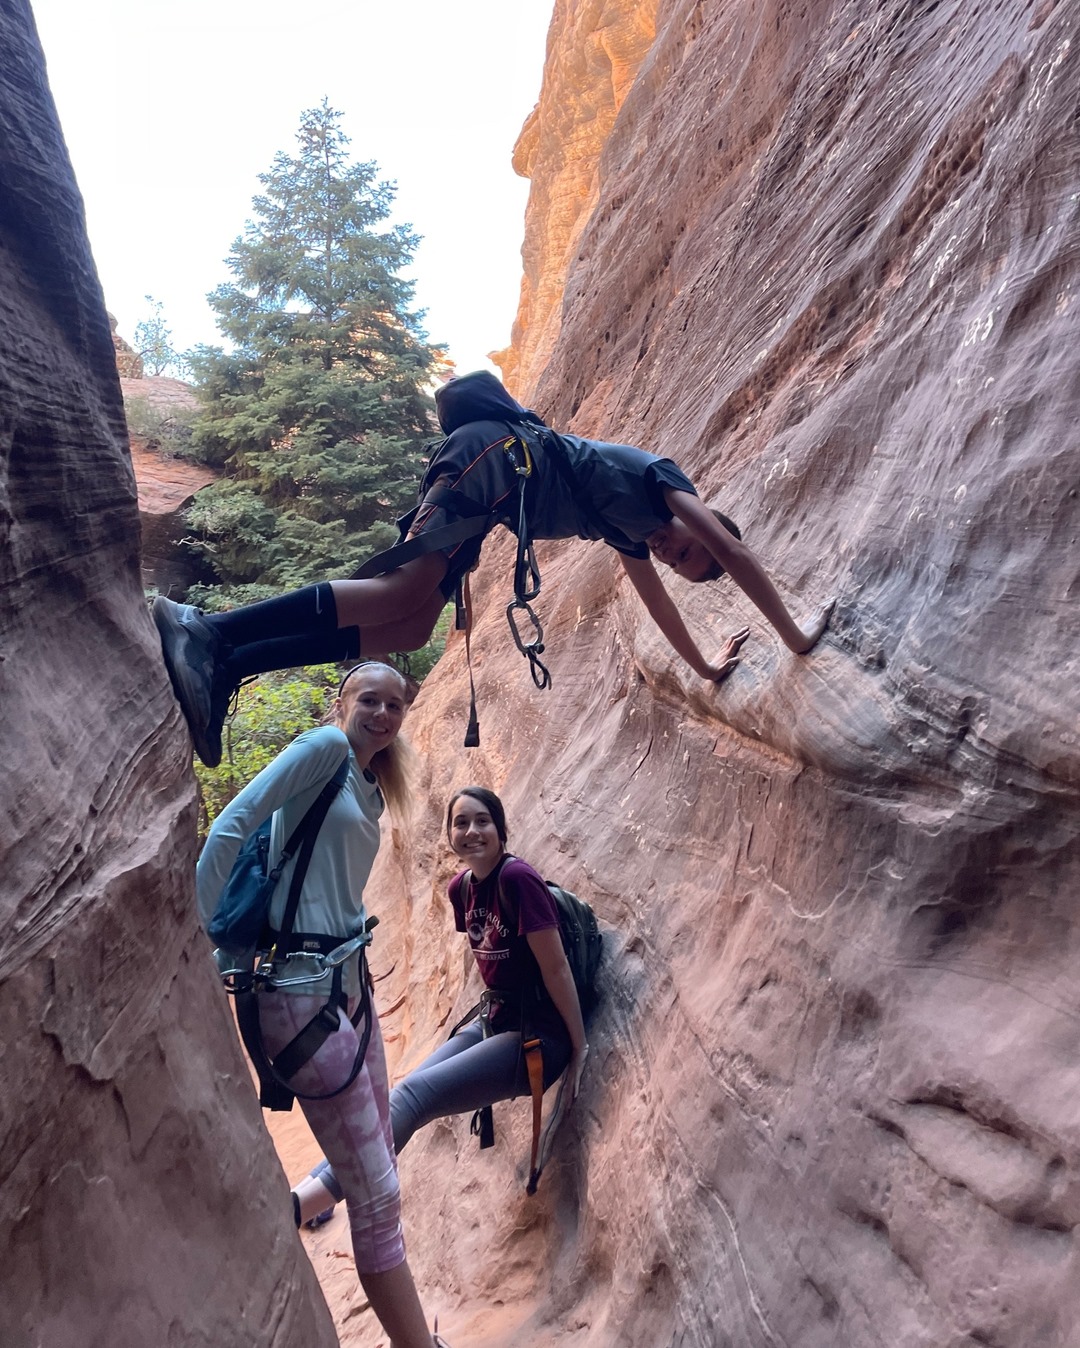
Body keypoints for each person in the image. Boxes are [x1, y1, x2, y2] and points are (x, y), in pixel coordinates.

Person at [155, 369, 832, 766]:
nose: (669, 553)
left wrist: (706, 668)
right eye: (685, 547)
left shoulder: (633, 534)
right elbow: (735, 554)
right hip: (493, 458)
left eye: (677, 562)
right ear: (700, 520)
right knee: (402, 587)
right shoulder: (661, 480)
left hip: (492, 503)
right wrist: (796, 639)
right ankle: (210, 631)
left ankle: (231, 664)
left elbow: (658, 607)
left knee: (410, 627)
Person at [196, 661, 451, 1348]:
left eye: (395, 705)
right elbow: (232, 825)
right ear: (343, 703)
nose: (383, 714)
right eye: (370, 700)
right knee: (379, 1197)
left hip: (349, 988)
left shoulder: (371, 782)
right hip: (299, 998)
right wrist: (196, 938)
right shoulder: (326, 749)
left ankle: (305, 1210)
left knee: (378, 1167)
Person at [291, 785, 587, 1227]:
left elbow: (557, 968)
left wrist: (578, 1047)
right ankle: (319, 1187)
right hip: (498, 1021)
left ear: (501, 829)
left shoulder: (517, 880)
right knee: (398, 1096)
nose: (472, 831)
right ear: (449, 834)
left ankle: (298, 1207)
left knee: (415, 1097)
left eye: (483, 821)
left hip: (540, 1037)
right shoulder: (461, 889)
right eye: (460, 823)